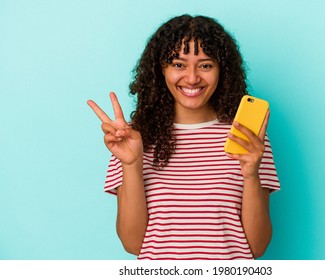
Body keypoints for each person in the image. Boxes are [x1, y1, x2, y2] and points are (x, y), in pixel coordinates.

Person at [87, 14, 280, 260]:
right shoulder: (131, 138)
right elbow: (133, 244)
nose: (192, 78)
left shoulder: (247, 137)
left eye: (206, 65)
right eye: (179, 64)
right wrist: (131, 163)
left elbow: (256, 248)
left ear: (222, 71)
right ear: (161, 69)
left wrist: (252, 173)